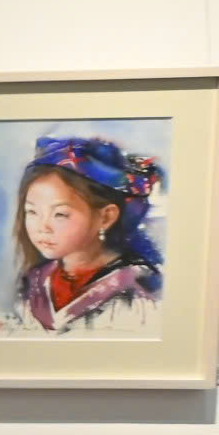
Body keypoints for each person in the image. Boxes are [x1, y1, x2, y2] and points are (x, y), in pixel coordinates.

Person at [10, 135, 165, 332]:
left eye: (60, 214)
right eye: (32, 212)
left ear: (106, 217)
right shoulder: (33, 283)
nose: (43, 227)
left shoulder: (139, 290)